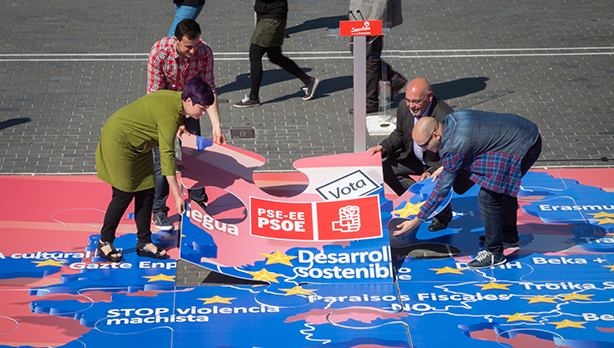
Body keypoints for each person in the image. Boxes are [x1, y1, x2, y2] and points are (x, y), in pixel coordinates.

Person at [392, 110, 542, 269]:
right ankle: (508, 235)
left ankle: (494, 253)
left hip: (525, 145)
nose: (424, 149)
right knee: (501, 189)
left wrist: (416, 220)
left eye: (424, 145)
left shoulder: (452, 145)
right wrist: (445, 167)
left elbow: (442, 190)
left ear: (436, 135)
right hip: (523, 132)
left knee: (489, 197)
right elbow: (471, 143)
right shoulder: (451, 120)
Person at [95, 77, 215, 262]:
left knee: (146, 191)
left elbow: (159, 120)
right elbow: (166, 155)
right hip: (119, 143)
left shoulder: (177, 102)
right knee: (123, 194)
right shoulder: (170, 115)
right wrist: (177, 196)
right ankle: (104, 242)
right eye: (203, 108)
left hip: (140, 145)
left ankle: (144, 242)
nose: (204, 112)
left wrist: (177, 132)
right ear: (189, 101)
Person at [148, 18, 226, 231]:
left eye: (196, 45)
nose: (193, 51)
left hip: (191, 108)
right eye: (188, 47)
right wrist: (175, 122)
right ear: (176, 41)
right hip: (164, 109)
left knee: (195, 155)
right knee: (163, 160)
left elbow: (209, 89)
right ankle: (159, 210)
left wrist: (216, 125)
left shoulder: (204, 52)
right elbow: (154, 93)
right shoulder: (159, 52)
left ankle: (198, 204)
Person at [367, 78, 454, 231]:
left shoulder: (446, 116)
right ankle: (420, 201)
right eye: (408, 100)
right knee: (387, 168)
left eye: (416, 101)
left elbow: (454, 152)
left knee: (432, 180)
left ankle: (442, 214)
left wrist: (433, 170)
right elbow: (400, 133)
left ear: (429, 96)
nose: (411, 105)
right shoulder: (404, 107)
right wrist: (383, 147)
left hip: (436, 161)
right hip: (414, 157)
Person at [233, 0, 319, 108]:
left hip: (271, 18)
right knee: (275, 56)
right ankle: (308, 80)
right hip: (272, 16)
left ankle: (253, 97)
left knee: (255, 54)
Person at [348, 0, 407, 114]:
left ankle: (370, 102)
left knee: (369, 56)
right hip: (363, 10)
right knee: (359, 51)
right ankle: (394, 78)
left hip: (373, 11)